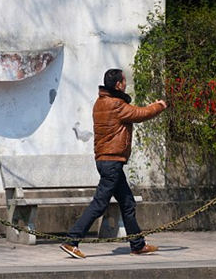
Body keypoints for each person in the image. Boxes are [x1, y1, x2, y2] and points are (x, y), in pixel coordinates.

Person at [60, 68, 168, 259]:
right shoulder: (116, 105)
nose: (126, 83)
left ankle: (137, 244)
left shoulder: (100, 103)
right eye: (124, 81)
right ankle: (71, 240)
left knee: (127, 203)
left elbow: (132, 112)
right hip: (111, 162)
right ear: (118, 84)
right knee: (100, 204)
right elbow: (140, 114)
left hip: (106, 161)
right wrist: (159, 106)